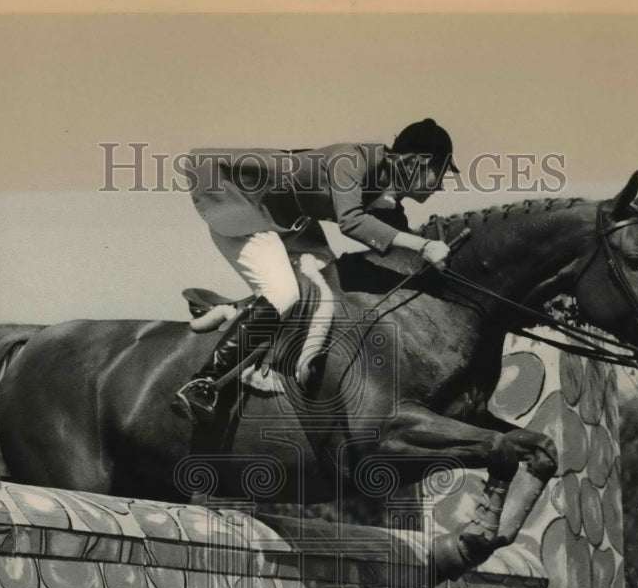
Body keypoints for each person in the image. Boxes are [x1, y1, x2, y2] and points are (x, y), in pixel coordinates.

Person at [172, 118, 459, 423]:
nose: (441, 183)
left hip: (290, 223)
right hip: (244, 206)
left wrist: (434, 248)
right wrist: (424, 246)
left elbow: (397, 238)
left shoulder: (385, 189)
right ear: (418, 162)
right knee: (284, 293)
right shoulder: (352, 160)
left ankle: (239, 311)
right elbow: (351, 222)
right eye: (440, 172)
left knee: (329, 284)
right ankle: (203, 381)